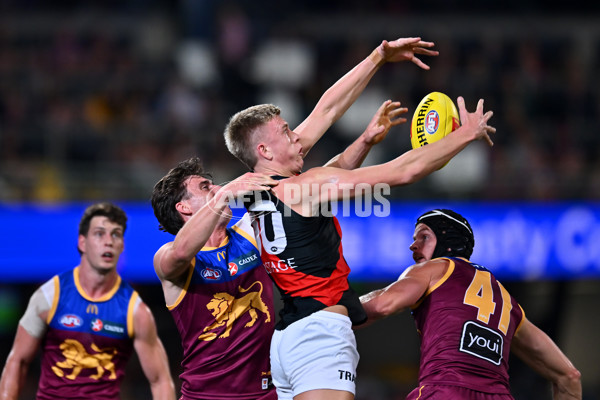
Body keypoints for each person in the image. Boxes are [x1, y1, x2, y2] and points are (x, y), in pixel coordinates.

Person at [150, 36, 431, 400]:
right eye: (205, 186)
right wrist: (223, 195)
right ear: (184, 208)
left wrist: (376, 60)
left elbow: (321, 122)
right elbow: (181, 250)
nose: (216, 186)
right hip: (208, 396)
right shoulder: (170, 262)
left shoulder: (251, 230)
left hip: (270, 390)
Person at [224, 59, 495, 400]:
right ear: (264, 151)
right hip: (320, 334)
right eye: (286, 132)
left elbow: (327, 114)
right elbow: (404, 171)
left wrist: (365, 138)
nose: (297, 137)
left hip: (286, 338)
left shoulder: (255, 193)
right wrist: (464, 135)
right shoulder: (306, 187)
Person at [359, 209, 582, 400]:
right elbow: (569, 377)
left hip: (444, 390)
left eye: (423, 237)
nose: (413, 246)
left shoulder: (434, 269)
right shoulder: (508, 303)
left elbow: (381, 306)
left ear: (446, 239)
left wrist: (331, 310)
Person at [0, 202, 175, 400]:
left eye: (116, 234)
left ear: (122, 246)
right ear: (82, 243)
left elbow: (160, 380)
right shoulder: (50, 296)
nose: (108, 241)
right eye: (99, 233)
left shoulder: (135, 311)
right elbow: (18, 361)